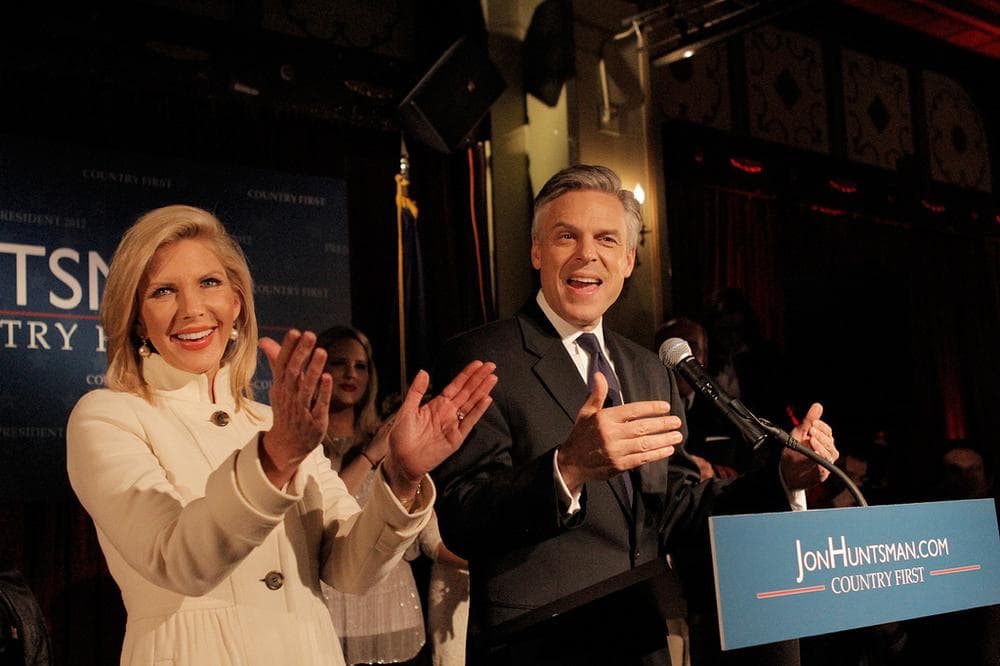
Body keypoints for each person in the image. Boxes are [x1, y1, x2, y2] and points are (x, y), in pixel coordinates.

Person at [430, 165, 837, 665]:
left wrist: (783, 475)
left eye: (606, 239)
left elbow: (679, 508)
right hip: (537, 643)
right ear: (537, 251)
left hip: (644, 640)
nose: (587, 254)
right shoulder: (482, 358)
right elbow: (462, 518)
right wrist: (568, 468)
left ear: (627, 260)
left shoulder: (650, 368)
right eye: (566, 237)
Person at [66, 205, 497, 666]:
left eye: (209, 283)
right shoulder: (106, 417)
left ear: (237, 303)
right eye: (163, 291)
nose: (192, 309)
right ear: (136, 319)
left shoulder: (270, 422)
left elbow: (352, 571)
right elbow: (178, 561)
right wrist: (273, 461)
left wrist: (403, 476)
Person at [315, 326, 470, 665]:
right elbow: (325, 509)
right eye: (339, 363)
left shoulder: (393, 437)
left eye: (361, 366)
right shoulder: (306, 445)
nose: (351, 374)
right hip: (329, 609)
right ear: (317, 371)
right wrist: (370, 455)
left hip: (390, 610)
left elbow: (426, 530)